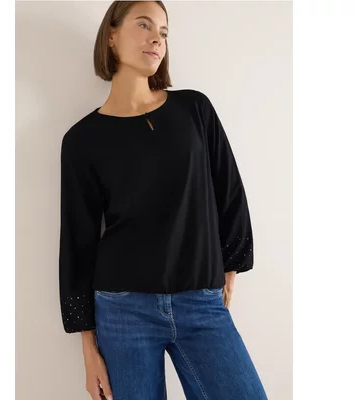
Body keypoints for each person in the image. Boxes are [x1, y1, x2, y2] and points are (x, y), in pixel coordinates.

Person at [59, 1, 268, 399]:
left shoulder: (194, 109)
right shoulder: (82, 139)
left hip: (201, 303)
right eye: (144, 25)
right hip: (122, 311)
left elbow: (229, 191)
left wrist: (230, 266)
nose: (157, 38)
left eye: (164, 32)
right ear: (112, 35)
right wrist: (89, 349)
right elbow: (78, 242)